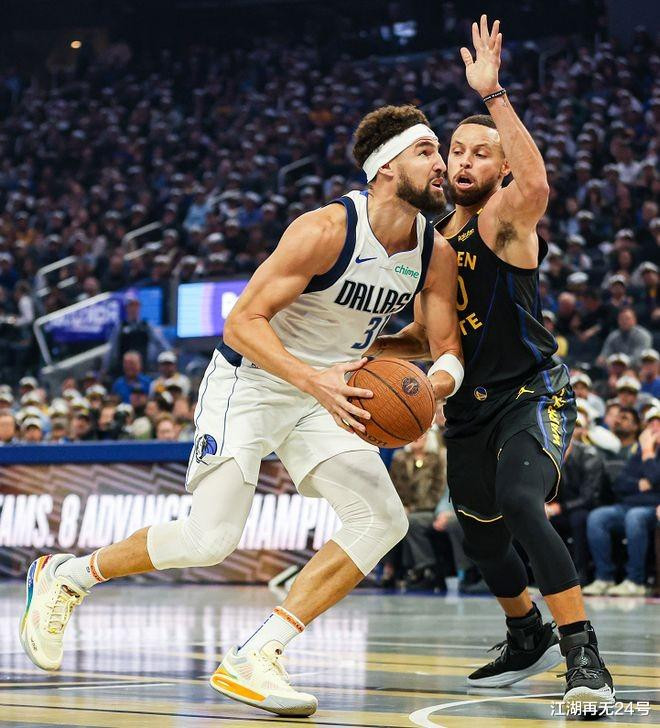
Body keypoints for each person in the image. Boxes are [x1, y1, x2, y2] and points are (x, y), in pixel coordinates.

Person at [19, 104, 463, 717]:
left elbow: (446, 348)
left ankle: (258, 653)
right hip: (252, 380)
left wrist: (432, 389)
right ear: (386, 167)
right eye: (427, 151)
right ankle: (67, 575)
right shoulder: (325, 230)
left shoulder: (434, 253)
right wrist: (312, 378)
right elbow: (241, 322)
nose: (442, 163)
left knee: (382, 519)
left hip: (334, 389)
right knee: (210, 539)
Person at [372, 16, 613, 712]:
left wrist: (493, 95)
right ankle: (525, 630)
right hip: (468, 405)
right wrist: (365, 349)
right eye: (457, 150)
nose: (466, 161)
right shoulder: (429, 242)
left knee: (520, 504)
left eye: (482, 153)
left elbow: (536, 183)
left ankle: (583, 657)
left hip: (532, 393)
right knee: (479, 535)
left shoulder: (504, 219)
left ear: (500, 168)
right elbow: (428, 335)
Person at [584, 407, 659, 596]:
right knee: (598, 517)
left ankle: (636, 580)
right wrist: (640, 483)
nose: (654, 427)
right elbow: (620, 483)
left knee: (635, 517)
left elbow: (655, 477)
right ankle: (604, 577)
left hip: (652, 508)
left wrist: (648, 452)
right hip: (628, 505)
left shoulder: (645, 451)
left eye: (658, 423)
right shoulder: (638, 453)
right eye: (650, 423)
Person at [547, 426, 606, 584]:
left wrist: (561, 507)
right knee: (540, 521)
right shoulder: (549, 455)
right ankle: (547, 576)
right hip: (562, 507)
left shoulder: (590, 456)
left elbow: (589, 497)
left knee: (578, 519)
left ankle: (580, 573)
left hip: (588, 506)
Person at [389, 432, 446, 590]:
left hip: (429, 509)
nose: (416, 438)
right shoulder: (399, 458)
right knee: (391, 520)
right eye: (414, 434)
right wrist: (401, 507)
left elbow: (438, 491)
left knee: (411, 521)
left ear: (429, 438)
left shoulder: (436, 459)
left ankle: (425, 567)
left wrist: (412, 508)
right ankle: (392, 571)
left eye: (421, 435)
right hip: (404, 509)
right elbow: (393, 487)